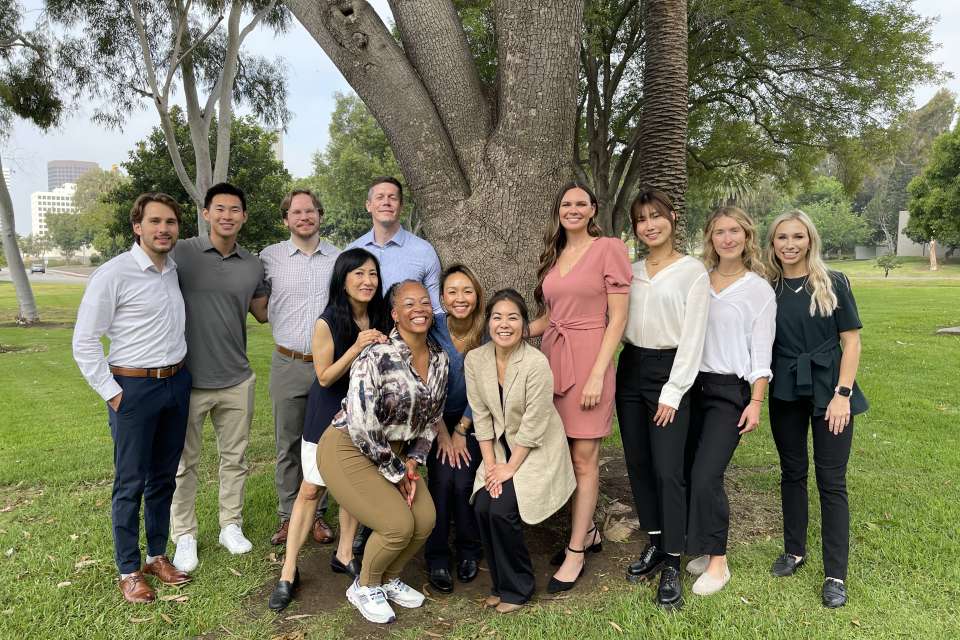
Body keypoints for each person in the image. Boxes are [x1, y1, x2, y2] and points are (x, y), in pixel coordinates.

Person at [72, 193, 193, 603]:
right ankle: (128, 569)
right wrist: (112, 393)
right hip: (133, 389)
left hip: (176, 383)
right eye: (155, 221)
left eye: (170, 222)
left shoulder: (173, 271)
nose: (164, 229)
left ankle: (156, 556)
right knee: (130, 482)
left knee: (164, 477)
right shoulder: (113, 274)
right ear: (137, 227)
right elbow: (84, 341)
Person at [317, 280, 447, 624]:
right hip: (348, 447)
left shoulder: (439, 359)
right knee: (397, 525)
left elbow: (432, 419)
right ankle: (365, 586)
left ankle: (388, 579)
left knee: (425, 520)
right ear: (395, 314)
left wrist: (413, 461)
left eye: (424, 302)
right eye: (409, 304)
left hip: (397, 454)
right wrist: (396, 471)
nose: (419, 309)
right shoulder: (376, 355)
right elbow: (362, 424)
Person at [268, 248, 392, 611]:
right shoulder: (327, 322)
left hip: (365, 416)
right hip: (327, 413)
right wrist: (356, 346)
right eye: (359, 274)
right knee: (311, 489)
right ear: (343, 280)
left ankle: (344, 553)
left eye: (372, 274)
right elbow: (324, 377)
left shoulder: (381, 316)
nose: (368, 281)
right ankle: (288, 571)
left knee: (353, 487)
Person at [529, 182, 631, 593]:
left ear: (592, 209)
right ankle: (588, 532)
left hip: (591, 360)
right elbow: (549, 318)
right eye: (566, 203)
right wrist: (507, 329)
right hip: (554, 360)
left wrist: (597, 374)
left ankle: (575, 552)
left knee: (584, 459)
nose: (572, 209)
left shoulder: (609, 249)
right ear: (559, 211)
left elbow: (618, 318)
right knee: (565, 457)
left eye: (580, 204)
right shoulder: (555, 255)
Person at [764, 210, 867, 609]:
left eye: (797, 236)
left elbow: (851, 341)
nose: (790, 244)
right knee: (792, 472)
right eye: (782, 237)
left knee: (831, 481)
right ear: (772, 243)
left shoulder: (832, 282)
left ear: (810, 240)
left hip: (830, 390)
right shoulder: (767, 287)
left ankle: (835, 574)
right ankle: (794, 550)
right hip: (785, 388)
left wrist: (842, 394)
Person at [615, 188, 709, 610]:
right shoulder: (630, 271)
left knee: (669, 470)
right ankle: (655, 541)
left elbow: (694, 338)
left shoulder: (692, 272)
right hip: (631, 368)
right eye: (641, 219)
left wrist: (673, 392)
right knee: (638, 462)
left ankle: (673, 559)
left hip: (670, 372)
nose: (649, 225)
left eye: (656, 216)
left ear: (672, 217)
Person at [169, 182, 269, 573]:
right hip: (187, 379)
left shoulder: (253, 264)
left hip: (236, 379)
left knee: (235, 459)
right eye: (220, 209)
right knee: (184, 464)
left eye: (235, 210)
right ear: (206, 213)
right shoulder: (181, 252)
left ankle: (230, 525)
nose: (227, 216)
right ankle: (185, 534)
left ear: (244, 216)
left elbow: (263, 312)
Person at [466, 289, 577, 614]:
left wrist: (509, 469)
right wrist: (491, 467)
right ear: (488, 322)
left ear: (524, 324)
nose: (504, 324)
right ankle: (500, 585)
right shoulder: (476, 360)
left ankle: (519, 589)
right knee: (482, 506)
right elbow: (481, 417)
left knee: (501, 510)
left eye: (513, 318)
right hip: (498, 450)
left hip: (535, 448)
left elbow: (533, 424)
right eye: (497, 317)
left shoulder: (535, 363)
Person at [683, 206, 775, 596]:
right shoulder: (698, 281)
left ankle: (719, 563)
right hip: (692, 387)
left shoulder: (759, 290)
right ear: (710, 238)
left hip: (729, 393)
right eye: (719, 231)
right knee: (689, 471)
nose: (727, 238)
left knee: (708, 474)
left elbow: (761, 353)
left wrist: (756, 401)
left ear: (747, 236)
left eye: (734, 230)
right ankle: (704, 548)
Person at [258, 189, 340, 547]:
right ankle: (288, 516)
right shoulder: (269, 257)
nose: (304, 217)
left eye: (310, 211)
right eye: (296, 212)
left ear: (320, 215)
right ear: (285, 219)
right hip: (287, 362)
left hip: (329, 365)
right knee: (288, 443)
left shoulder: (338, 258)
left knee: (323, 442)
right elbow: (257, 305)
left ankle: (318, 514)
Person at [424, 265, 486, 594]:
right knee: (441, 480)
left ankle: (469, 550)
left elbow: (488, 387)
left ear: (477, 296)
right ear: (442, 298)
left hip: (475, 418)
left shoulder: (487, 330)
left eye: (467, 291)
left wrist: (462, 429)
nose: (460, 298)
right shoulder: (431, 328)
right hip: (433, 419)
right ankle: (436, 556)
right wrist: (443, 432)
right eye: (452, 291)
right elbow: (422, 382)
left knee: (463, 481)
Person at [346, 176, 442, 314]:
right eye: (380, 197)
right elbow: (341, 303)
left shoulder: (424, 251)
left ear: (401, 206)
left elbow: (436, 309)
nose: (386, 202)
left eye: (392, 198)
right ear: (368, 205)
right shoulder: (351, 251)